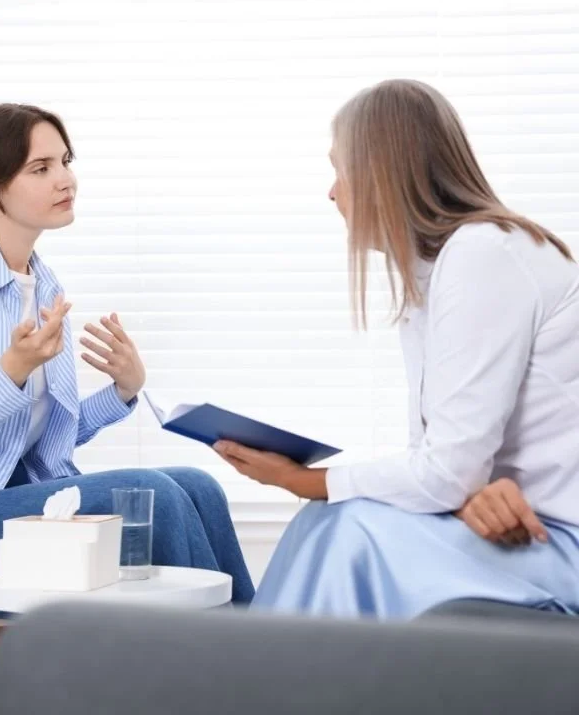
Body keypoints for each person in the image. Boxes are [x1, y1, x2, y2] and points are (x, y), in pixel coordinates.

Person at [0, 103, 254, 616]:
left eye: (66, 161)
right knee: (149, 490)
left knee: (197, 486)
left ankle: (263, 657)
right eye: (41, 169)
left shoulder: (44, 285)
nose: (65, 180)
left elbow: (42, 442)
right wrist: (11, 371)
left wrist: (121, 393)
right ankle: (231, 677)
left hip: (6, 505)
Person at [213, 79, 579, 619]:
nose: (333, 193)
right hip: (517, 519)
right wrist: (463, 490)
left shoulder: (484, 254)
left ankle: (266, 691)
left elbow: (447, 471)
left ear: (384, 170)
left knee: (351, 529)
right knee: (327, 518)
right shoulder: (432, 278)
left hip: (556, 538)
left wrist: (297, 479)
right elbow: (443, 464)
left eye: (341, 170)